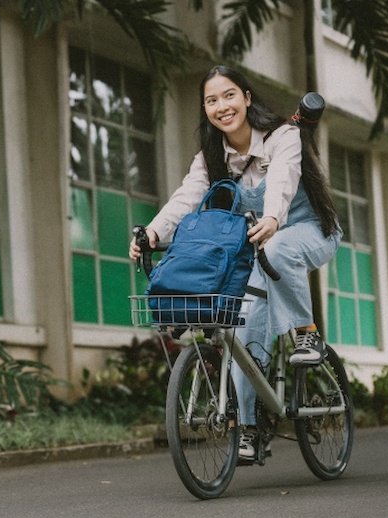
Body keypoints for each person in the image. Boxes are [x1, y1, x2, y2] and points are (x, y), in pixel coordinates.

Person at [128, 65, 341, 461]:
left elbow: (282, 179)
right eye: (211, 100)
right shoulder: (211, 158)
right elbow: (185, 198)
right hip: (256, 250)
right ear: (205, 109)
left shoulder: (284, 136)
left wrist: (275, 216)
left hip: (308, 232)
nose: (221, 106)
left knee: (279, 250)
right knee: (241, 331)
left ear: (246, 97)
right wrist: (153, 233)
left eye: (228, 95)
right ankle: (248, 426)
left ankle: (305, 332)